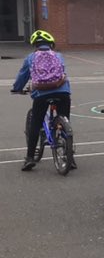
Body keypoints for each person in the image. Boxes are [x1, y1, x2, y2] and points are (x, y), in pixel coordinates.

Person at [11, 30, 75, 171]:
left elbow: (23, 76)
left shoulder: (31, 58)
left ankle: (29, 158)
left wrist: (16, 88)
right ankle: (70, 157)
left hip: (41, 93)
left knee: (35, 124)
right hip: (62, 92)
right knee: (65, 121)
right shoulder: (58, 55)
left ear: (35, 45)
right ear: (51, 44)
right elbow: (62, 73)